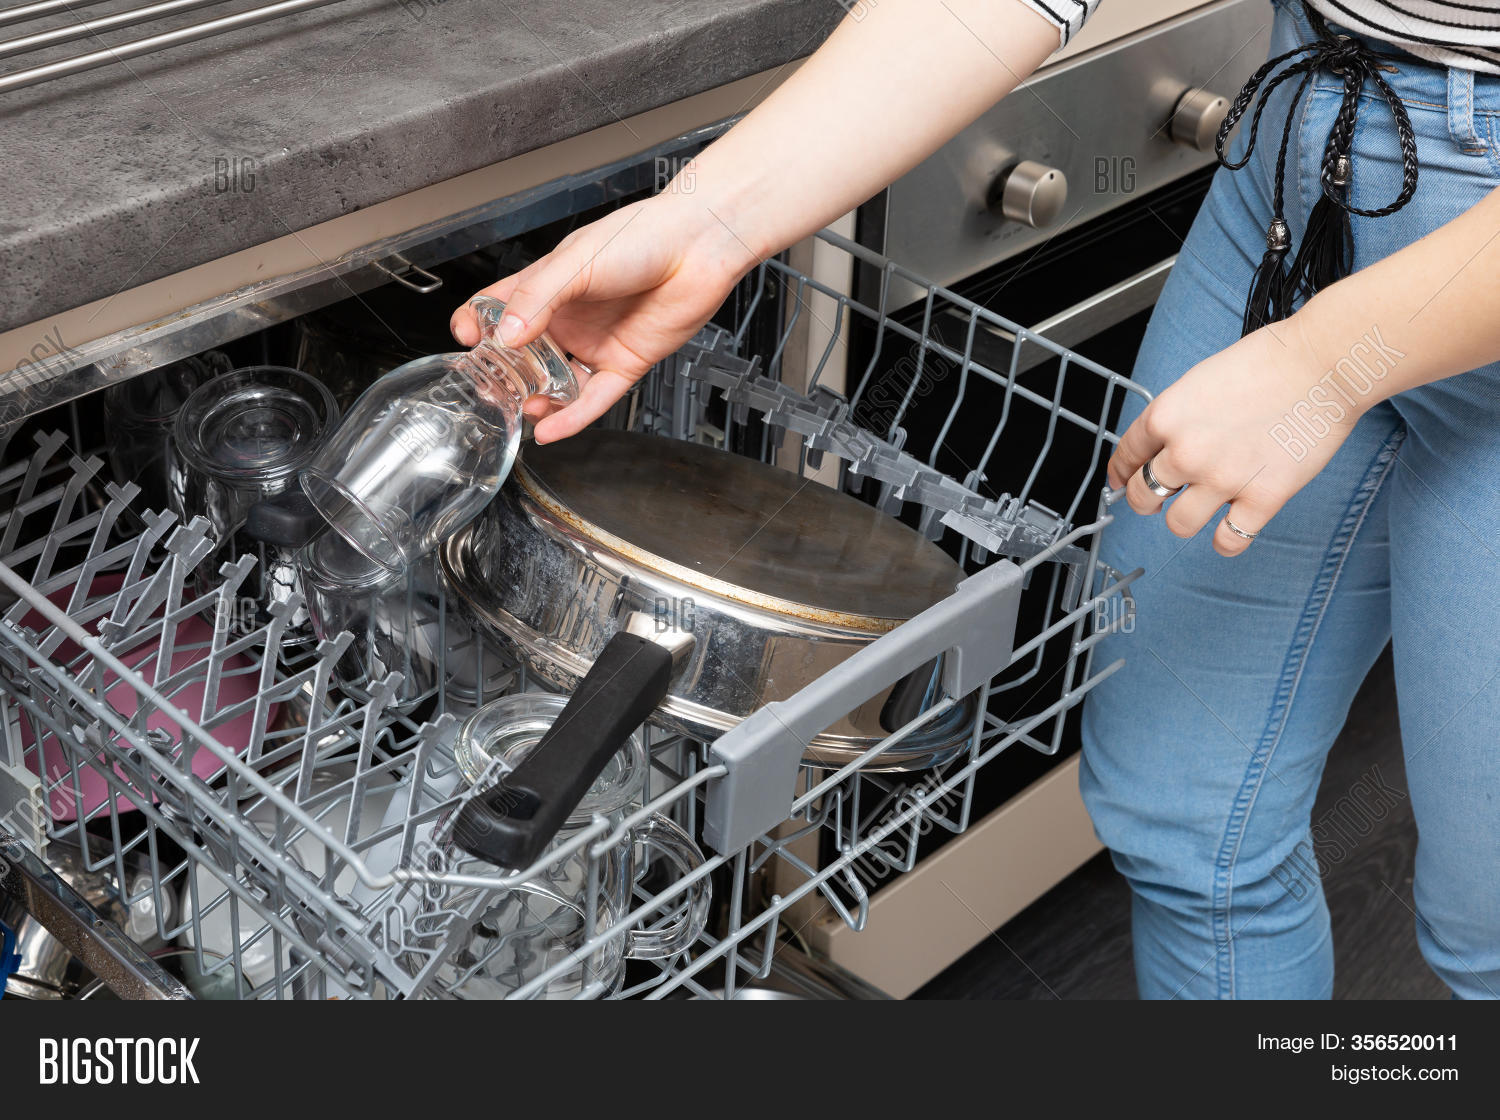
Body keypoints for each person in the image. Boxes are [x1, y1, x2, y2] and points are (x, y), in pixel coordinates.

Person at [452, 0, 1500, 999]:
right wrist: (711, 219)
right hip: (1306, 146)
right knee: (1182, 822)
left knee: (1487, 925)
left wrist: (1328, 363)